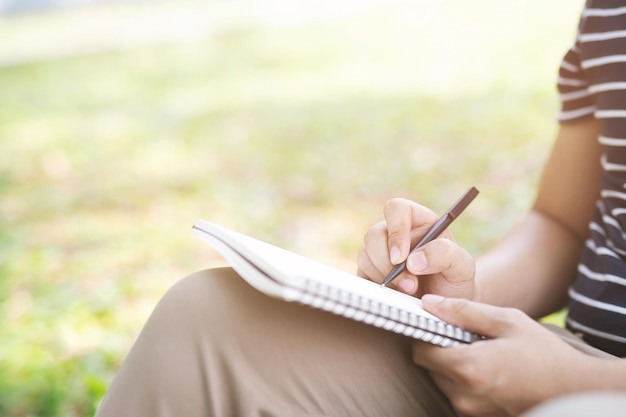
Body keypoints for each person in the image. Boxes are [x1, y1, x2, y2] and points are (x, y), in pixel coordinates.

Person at [94, 1, 626, 416]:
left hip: (595, 384)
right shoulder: (605, 11)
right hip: (564, 358)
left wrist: (588, 384)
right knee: (204, 313)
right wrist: (460, 300)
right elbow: (562, 224)